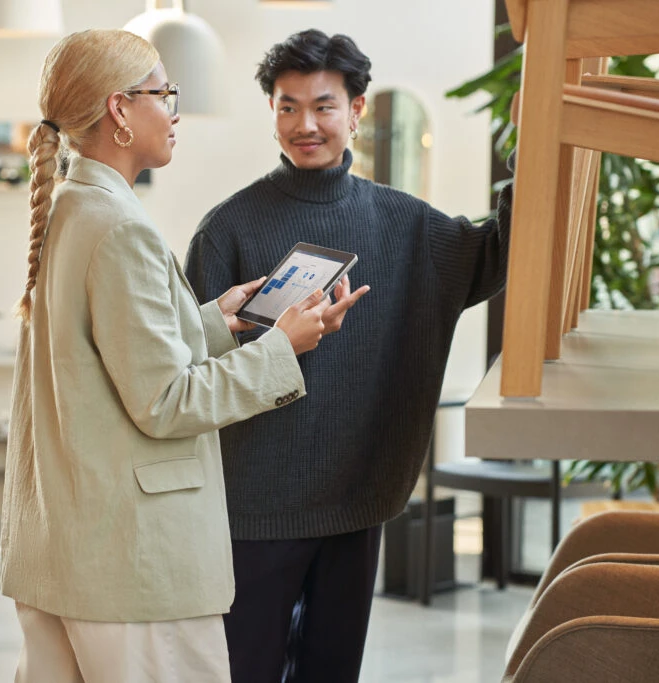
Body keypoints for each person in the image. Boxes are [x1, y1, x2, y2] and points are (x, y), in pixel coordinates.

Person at [0, 29, 333, 683]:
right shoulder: (120, 228)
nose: (175, 110)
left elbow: (98, 363)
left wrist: (213, 321)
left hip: (65, 550)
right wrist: (280, 348)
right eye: (163, 93)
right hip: (130, 563)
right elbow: (165, 401)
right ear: (120, 111)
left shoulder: (73, 207)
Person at [184, 29, 513, 683]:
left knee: (332, 672)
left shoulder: (409, 225)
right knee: (243, 671)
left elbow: (499, 253)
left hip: (359, 498)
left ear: (357, 109)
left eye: (324, 105)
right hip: (254, 506)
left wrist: (533, 158)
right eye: (287, 106)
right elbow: (192, 370)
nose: (305, 124)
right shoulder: (228, 229)